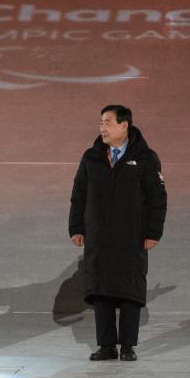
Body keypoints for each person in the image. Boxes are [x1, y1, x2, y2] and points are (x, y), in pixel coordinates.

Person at [69, 105, 167, 362]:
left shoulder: (146, 158)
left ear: (124, 126)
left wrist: (153, 232)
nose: (102, 127)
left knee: (129, 291)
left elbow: (158, 198)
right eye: (101, 122)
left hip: (131, 237)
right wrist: (77, 227)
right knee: (100, 291)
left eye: (108, 122)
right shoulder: (91, 157)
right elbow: (79, 194)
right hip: (98, 237)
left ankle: (127, 347)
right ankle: (106, 346)